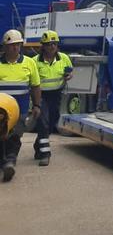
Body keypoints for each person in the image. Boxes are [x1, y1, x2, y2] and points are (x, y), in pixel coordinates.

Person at [0, 29, 40, 182]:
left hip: (20, 109)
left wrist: (36, 105)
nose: (14, 48)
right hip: (2, 110)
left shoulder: (29, 63)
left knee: (15, 136)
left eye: (17, 45)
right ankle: (4, 162)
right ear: (5, 47)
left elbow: (36, 86)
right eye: (11, 45)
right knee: (1, 137)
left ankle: (10, 162)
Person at [32, 30, 72, 166]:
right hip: (40, 95)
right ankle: (45, 154)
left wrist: (69, 75)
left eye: (54, 44)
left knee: (52, 121)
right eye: (48, 44)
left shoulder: (64, 58)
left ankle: (39, 145)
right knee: (43, 122)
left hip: (56, 94)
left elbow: (70, 71)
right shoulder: (34, 62)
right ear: (43, 46)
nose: (52, 47)